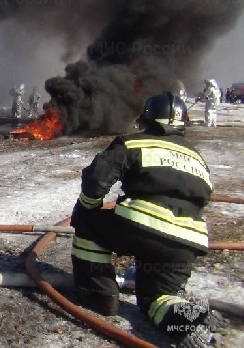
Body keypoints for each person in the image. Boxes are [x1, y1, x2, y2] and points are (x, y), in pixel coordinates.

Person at [69, 92, 223, 347]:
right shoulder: (198, 159)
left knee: (87, 221)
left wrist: (87, 208)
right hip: (186, 244)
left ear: (147, 119)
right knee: (159, 299)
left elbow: (96, 180)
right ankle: (195, 324)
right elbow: (204, 197)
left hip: (139, 227)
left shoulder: (132, 143)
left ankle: (99, 294)